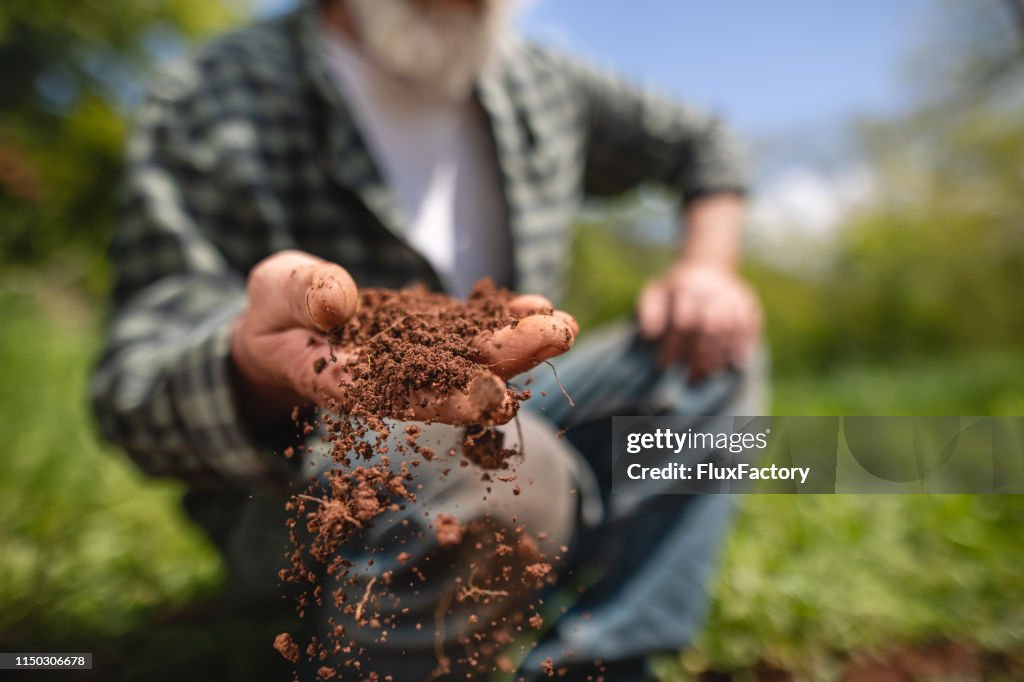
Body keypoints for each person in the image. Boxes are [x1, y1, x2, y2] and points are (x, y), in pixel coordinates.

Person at [90, 0, 765, 679]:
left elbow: (705, 140)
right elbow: (133, 384)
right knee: (508, 472)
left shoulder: (536, 78)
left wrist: (707, 269)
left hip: (517, 407)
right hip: (308, 468)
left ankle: (602, 659)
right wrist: (257, 365)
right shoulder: (215, 95)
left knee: (709, 351)